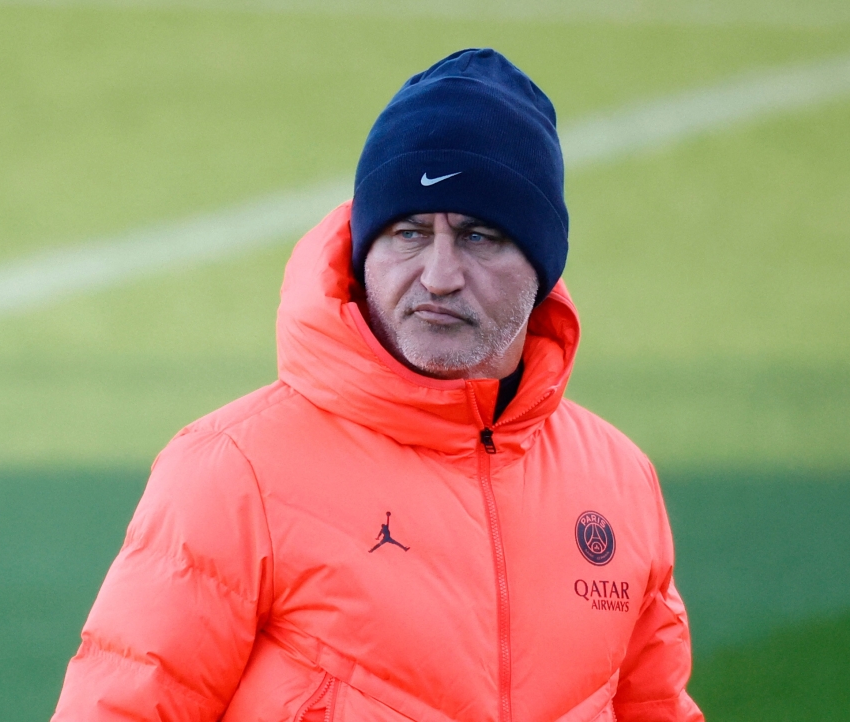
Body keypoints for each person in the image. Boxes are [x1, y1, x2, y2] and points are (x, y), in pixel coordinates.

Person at [52, 48, 703, 722]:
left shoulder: (619, 480)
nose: (440, 275)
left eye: (480, 236)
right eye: (409, 232)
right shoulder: (233, 471)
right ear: (365, 251)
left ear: (542, 262)